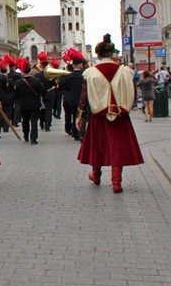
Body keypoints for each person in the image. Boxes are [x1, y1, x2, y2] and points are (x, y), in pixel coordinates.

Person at [76, 34, 143, 193]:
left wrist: (80, 116)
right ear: (112, 53)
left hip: (99, 115)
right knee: (117, 146)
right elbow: (133, 93)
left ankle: (96, 176)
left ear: (98, 54)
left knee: (97, 146)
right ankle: (116, 182)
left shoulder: (90, 73)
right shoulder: (126, 71)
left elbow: (84, 97)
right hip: (120, 115)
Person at [15, 63, 47, 145]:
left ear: (23, 72)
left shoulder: (18, 82)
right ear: (30, 71)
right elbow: (43, 91)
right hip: (34, 105)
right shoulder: (36, 81)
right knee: (34, 121)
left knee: (25, 121)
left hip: (23, 105)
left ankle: (26, 135)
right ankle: (33, 138)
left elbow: (17, 95)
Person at [60, 60, 85, 141]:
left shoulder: (68, 76)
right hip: (81, 99)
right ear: (80, 65)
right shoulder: (84, 75)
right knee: (81, 116)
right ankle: (80, 132)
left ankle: (75, 133)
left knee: (74, 116)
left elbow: (64, 87)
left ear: (73, 66)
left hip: (72, 99)